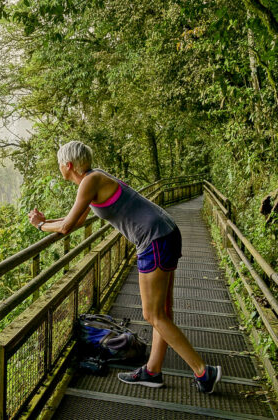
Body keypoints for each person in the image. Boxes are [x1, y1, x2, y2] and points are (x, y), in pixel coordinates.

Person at [27, 141, 221, 393]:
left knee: (153, 314)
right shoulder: (93, 179)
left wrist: (40, 227)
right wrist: (46, 221)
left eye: (59, 164)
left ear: (68, 165)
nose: (59, 169)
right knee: (162, 311)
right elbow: (75, 220)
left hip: (154, 239)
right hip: (164, 232)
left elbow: (65, 228)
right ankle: (152, 371)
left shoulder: (90, 181)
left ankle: (204, 372)